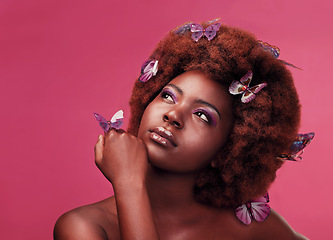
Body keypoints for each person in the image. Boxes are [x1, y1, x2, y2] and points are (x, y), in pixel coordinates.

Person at [54, 19, 309, 239]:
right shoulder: (86, 227)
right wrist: (128, 183)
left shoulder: (249, 230)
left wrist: (130, 182)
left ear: (228, 150)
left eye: (202, 114)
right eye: (167, 96)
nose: (173, 115)